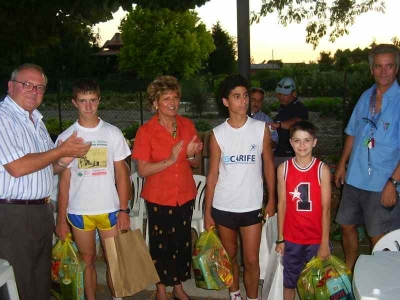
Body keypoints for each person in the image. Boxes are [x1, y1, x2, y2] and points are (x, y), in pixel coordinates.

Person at [0, 63, 91, 300]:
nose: (33, 90)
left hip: (41, 210)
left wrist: (68, 157)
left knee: (41, 279)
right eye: (26, 84)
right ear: (11, 87)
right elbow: (17, 167)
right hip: (13, 213)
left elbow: (48, 167)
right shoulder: (3, 118)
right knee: (19, 282)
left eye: (40, 87)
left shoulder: (37, 122)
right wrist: (60, 151)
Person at [55, 79, 131, 300]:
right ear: (74, 103)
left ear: (99, 100)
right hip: (79, 211)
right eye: (82, 101)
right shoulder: (66, 138)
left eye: (92, 101)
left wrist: (124, 209)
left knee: (114, 262)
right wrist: (61, 219)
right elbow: (64, 182)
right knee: (87, 261)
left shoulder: (112, 133)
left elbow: (122, 174)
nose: (88, 106)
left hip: (110, 209)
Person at [204, 74, 276, 300]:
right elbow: (213, 174)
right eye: (237, 97)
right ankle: (235, 294)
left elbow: (268, 166)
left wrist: (272, 199)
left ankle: (253, 298)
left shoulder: (260, 128)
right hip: (224, 205)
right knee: (230, 256)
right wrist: (207, 211)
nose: (243, 101)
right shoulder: (217, 134)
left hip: (251, 205)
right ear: (226, 102)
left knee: (252, 260)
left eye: (245, 96)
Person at [132, 75, 203, 300]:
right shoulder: (146, 131)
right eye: (166, 98)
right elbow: (143, 170)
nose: (172, 102)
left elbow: (196, 163)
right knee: (161, 246)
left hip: (184, 194)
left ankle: (178, 286)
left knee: (182, 243)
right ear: (155, 103)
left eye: (175, 97)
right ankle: (161, 288)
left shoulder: (187, 125)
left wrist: (192, 154)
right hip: (159, 197)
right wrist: (170, 161)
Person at [334, 43, 400, 271]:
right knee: (346, 225)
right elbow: (352, 132)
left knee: (378, 237)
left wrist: (394, 182)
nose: (383, 71)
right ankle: (350, 270)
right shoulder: (365, 96)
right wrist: (342, 165)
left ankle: (381, 281)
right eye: (379, 66)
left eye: (389, 66)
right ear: (371, 69)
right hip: (355, 177)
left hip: (382, 183)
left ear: (396, 68)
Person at [275, 120, 331, 300]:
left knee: (317, 284)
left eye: (307, 140)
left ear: (314, 142)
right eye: (297, 140)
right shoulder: (283, 169)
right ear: (290, 142)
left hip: (315, 238)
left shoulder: (322, 169)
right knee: (289, 282)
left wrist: (324, 242)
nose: (302, 145)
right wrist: (280, 238)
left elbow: (326, 209)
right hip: (292, 238)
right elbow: (281, 204)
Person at [267, 77, 308, 167]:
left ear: (294, 93)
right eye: (279, 94)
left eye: (285, 94)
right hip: (278, 153)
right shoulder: (283, 107)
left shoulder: (299, 108)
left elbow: (297, 123)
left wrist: (279, 124)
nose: (281, 97)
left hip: (290, 155)